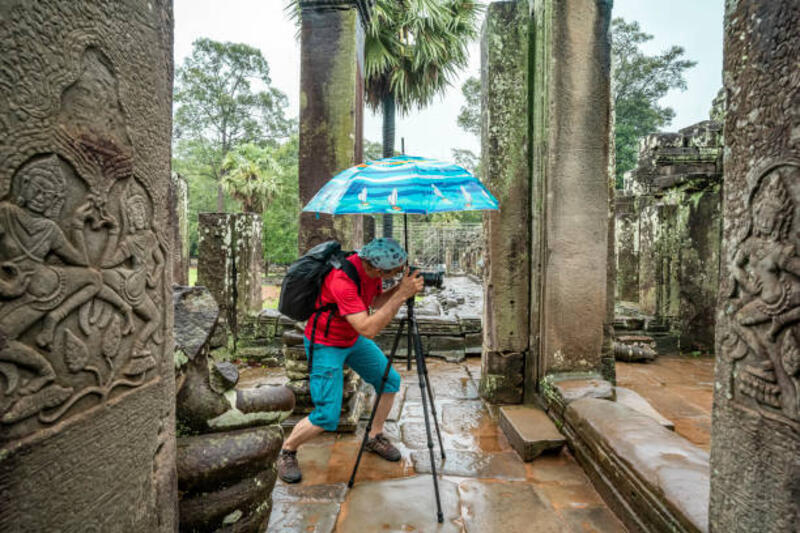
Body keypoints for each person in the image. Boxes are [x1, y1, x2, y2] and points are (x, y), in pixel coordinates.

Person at [278, 237, 424, 483]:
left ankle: (374, 436)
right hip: (326, 343)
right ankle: (287, 450)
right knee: (327, 415)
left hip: (351, 338)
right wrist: (400, 296)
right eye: (392, 274)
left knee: (389, 381)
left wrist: (399, 288)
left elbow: (373, 302)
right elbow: (368, 327)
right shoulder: (342, 280)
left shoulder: (370, 270)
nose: (392, 277)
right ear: (377, 268)